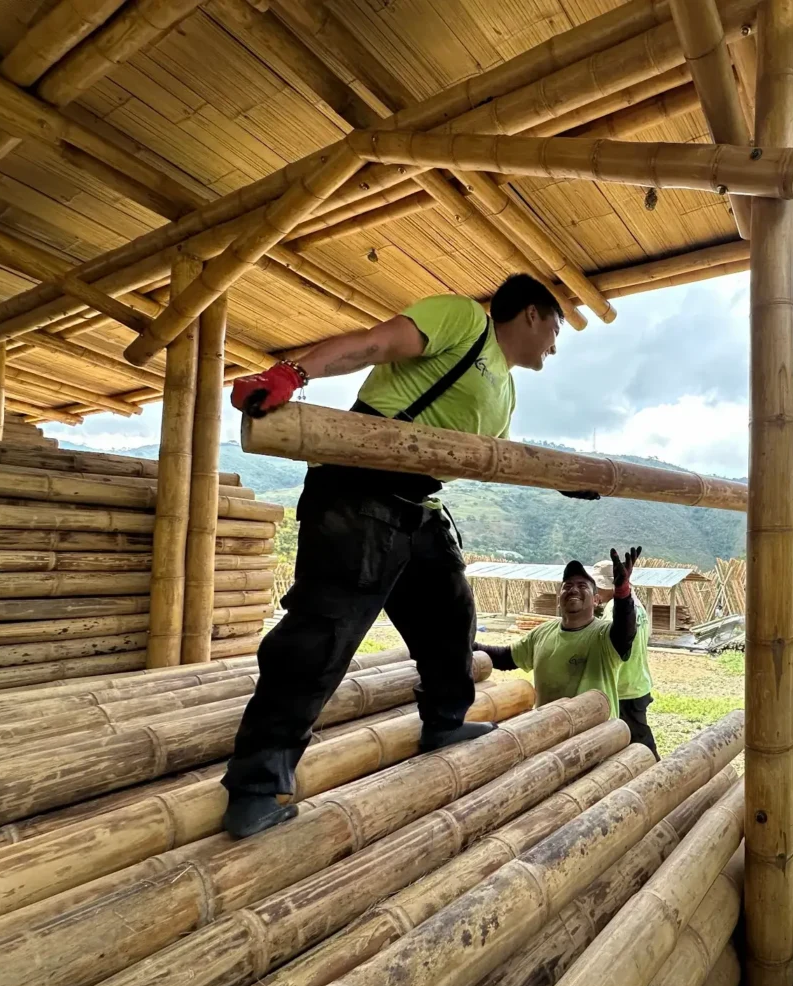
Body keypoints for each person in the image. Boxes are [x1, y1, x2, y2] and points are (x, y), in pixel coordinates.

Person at [220, 274, 564, 838]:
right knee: (322, 637)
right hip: (358, 492)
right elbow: (376, 343)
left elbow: (490, 460)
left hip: (417, 505)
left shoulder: (506, 390)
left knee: (452, 620)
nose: (555, 343)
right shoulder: (463, 319)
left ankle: (445, 722)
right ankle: (256, 785)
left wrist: (561, 480)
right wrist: (292, 374)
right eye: (555, 328)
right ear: (531, 314)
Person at [473, 549, 642, 715]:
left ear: (596, 600)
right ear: (559, 600)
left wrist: (622, 592)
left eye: (582, 586)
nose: (573, 589)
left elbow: (624, 630)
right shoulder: (542, 632)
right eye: (567, 586)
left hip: (595, 735)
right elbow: (506, 658)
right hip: (550, 733)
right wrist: (467, 645)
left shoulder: (604, 635)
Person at [591, 558, 657, 757]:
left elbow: (607, 646)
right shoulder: (637, 605)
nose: (596, 591)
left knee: (639, 742)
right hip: (638, 682)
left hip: (624, 688)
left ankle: (662, 776)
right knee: (631, 740)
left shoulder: (615, 610)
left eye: (597, 586)